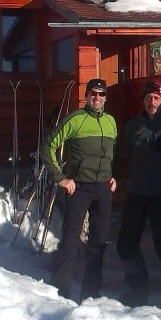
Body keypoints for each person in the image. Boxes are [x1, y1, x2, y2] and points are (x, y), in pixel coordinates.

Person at [41, 78, 117, 302]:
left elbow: (110, 154)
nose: (97, 97)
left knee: (98, 243)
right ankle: (60, 291)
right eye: (93, 93)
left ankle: (91, 293)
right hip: (79, 187)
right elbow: (48, 146)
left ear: (105, 98)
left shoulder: (111, 122)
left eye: (101, 94)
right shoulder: (75, 119)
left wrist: (111, 175)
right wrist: (60, 178)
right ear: (86, 95)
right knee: (70, 241)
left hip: (103, 188)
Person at [116, 80, 161, 306]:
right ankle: (137, 286)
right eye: (148, 97)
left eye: (156, 98)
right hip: (137, 193)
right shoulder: (132, 126)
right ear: (143, 100)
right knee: (125, 243)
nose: (152, 102)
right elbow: (128, 155)